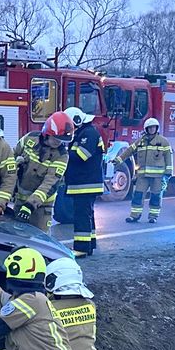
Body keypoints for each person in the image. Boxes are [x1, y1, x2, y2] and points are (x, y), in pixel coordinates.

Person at [14, 112, 73, 233]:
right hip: (19, 201)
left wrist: (30, 205)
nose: (59, 142)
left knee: (40, 242)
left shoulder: (62, 156)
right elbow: (11, 157)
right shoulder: (29, 138)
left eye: (62, 140)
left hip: (41, 207)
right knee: (17, 240)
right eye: (56, 139)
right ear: (47, 133)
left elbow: (49, 184)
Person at [63, 107, 106, 257]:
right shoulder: (83, 133)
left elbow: (82, 155)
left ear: (76, 120)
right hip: (83, 183)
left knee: (81, 215)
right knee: (87, 214)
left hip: (85, 183)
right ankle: (89, 244)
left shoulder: (88, 134)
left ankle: (81, 248)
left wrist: (63, 152)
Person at [114, 117, 172, 223]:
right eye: (149, 128)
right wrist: (118, 159)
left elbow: (168, 158)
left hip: (157, 177)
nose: (151, 130)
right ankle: (134, 215)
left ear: (156, 128)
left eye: (153, 128)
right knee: (138, 195)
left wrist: (167, 174)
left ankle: (153, 217)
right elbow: (129, 150)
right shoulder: (140, 141)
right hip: (142, 176)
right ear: (146, 129)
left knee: (155, 197)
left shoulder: (163, 142)